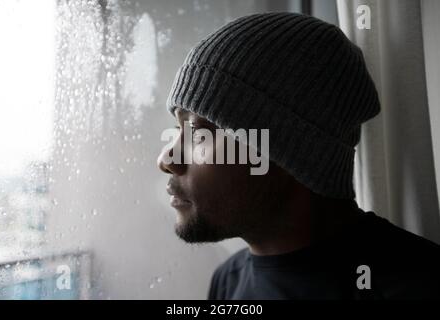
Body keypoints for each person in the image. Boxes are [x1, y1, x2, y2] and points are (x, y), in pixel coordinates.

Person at [157, 12, 440, 299]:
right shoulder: (227, 284)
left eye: (197, 130)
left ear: (291, 150)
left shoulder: (419, 287)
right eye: (176, 129)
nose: (166, 159)